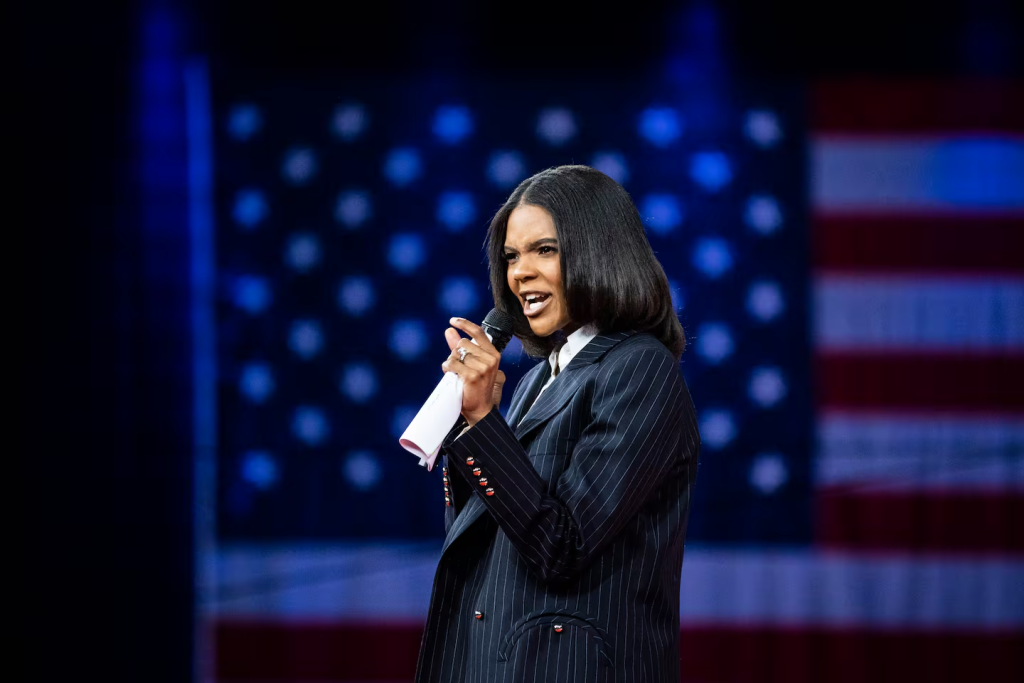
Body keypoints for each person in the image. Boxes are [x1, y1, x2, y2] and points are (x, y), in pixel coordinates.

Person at [415, 165, 700, 683]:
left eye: (543, 250)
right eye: (511, 256)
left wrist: (485, 425)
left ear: (600, 251)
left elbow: (562, 547)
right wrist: (471, 428)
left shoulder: (639, 367)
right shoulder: (536, 382)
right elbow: (487, 540)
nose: (519, 273)